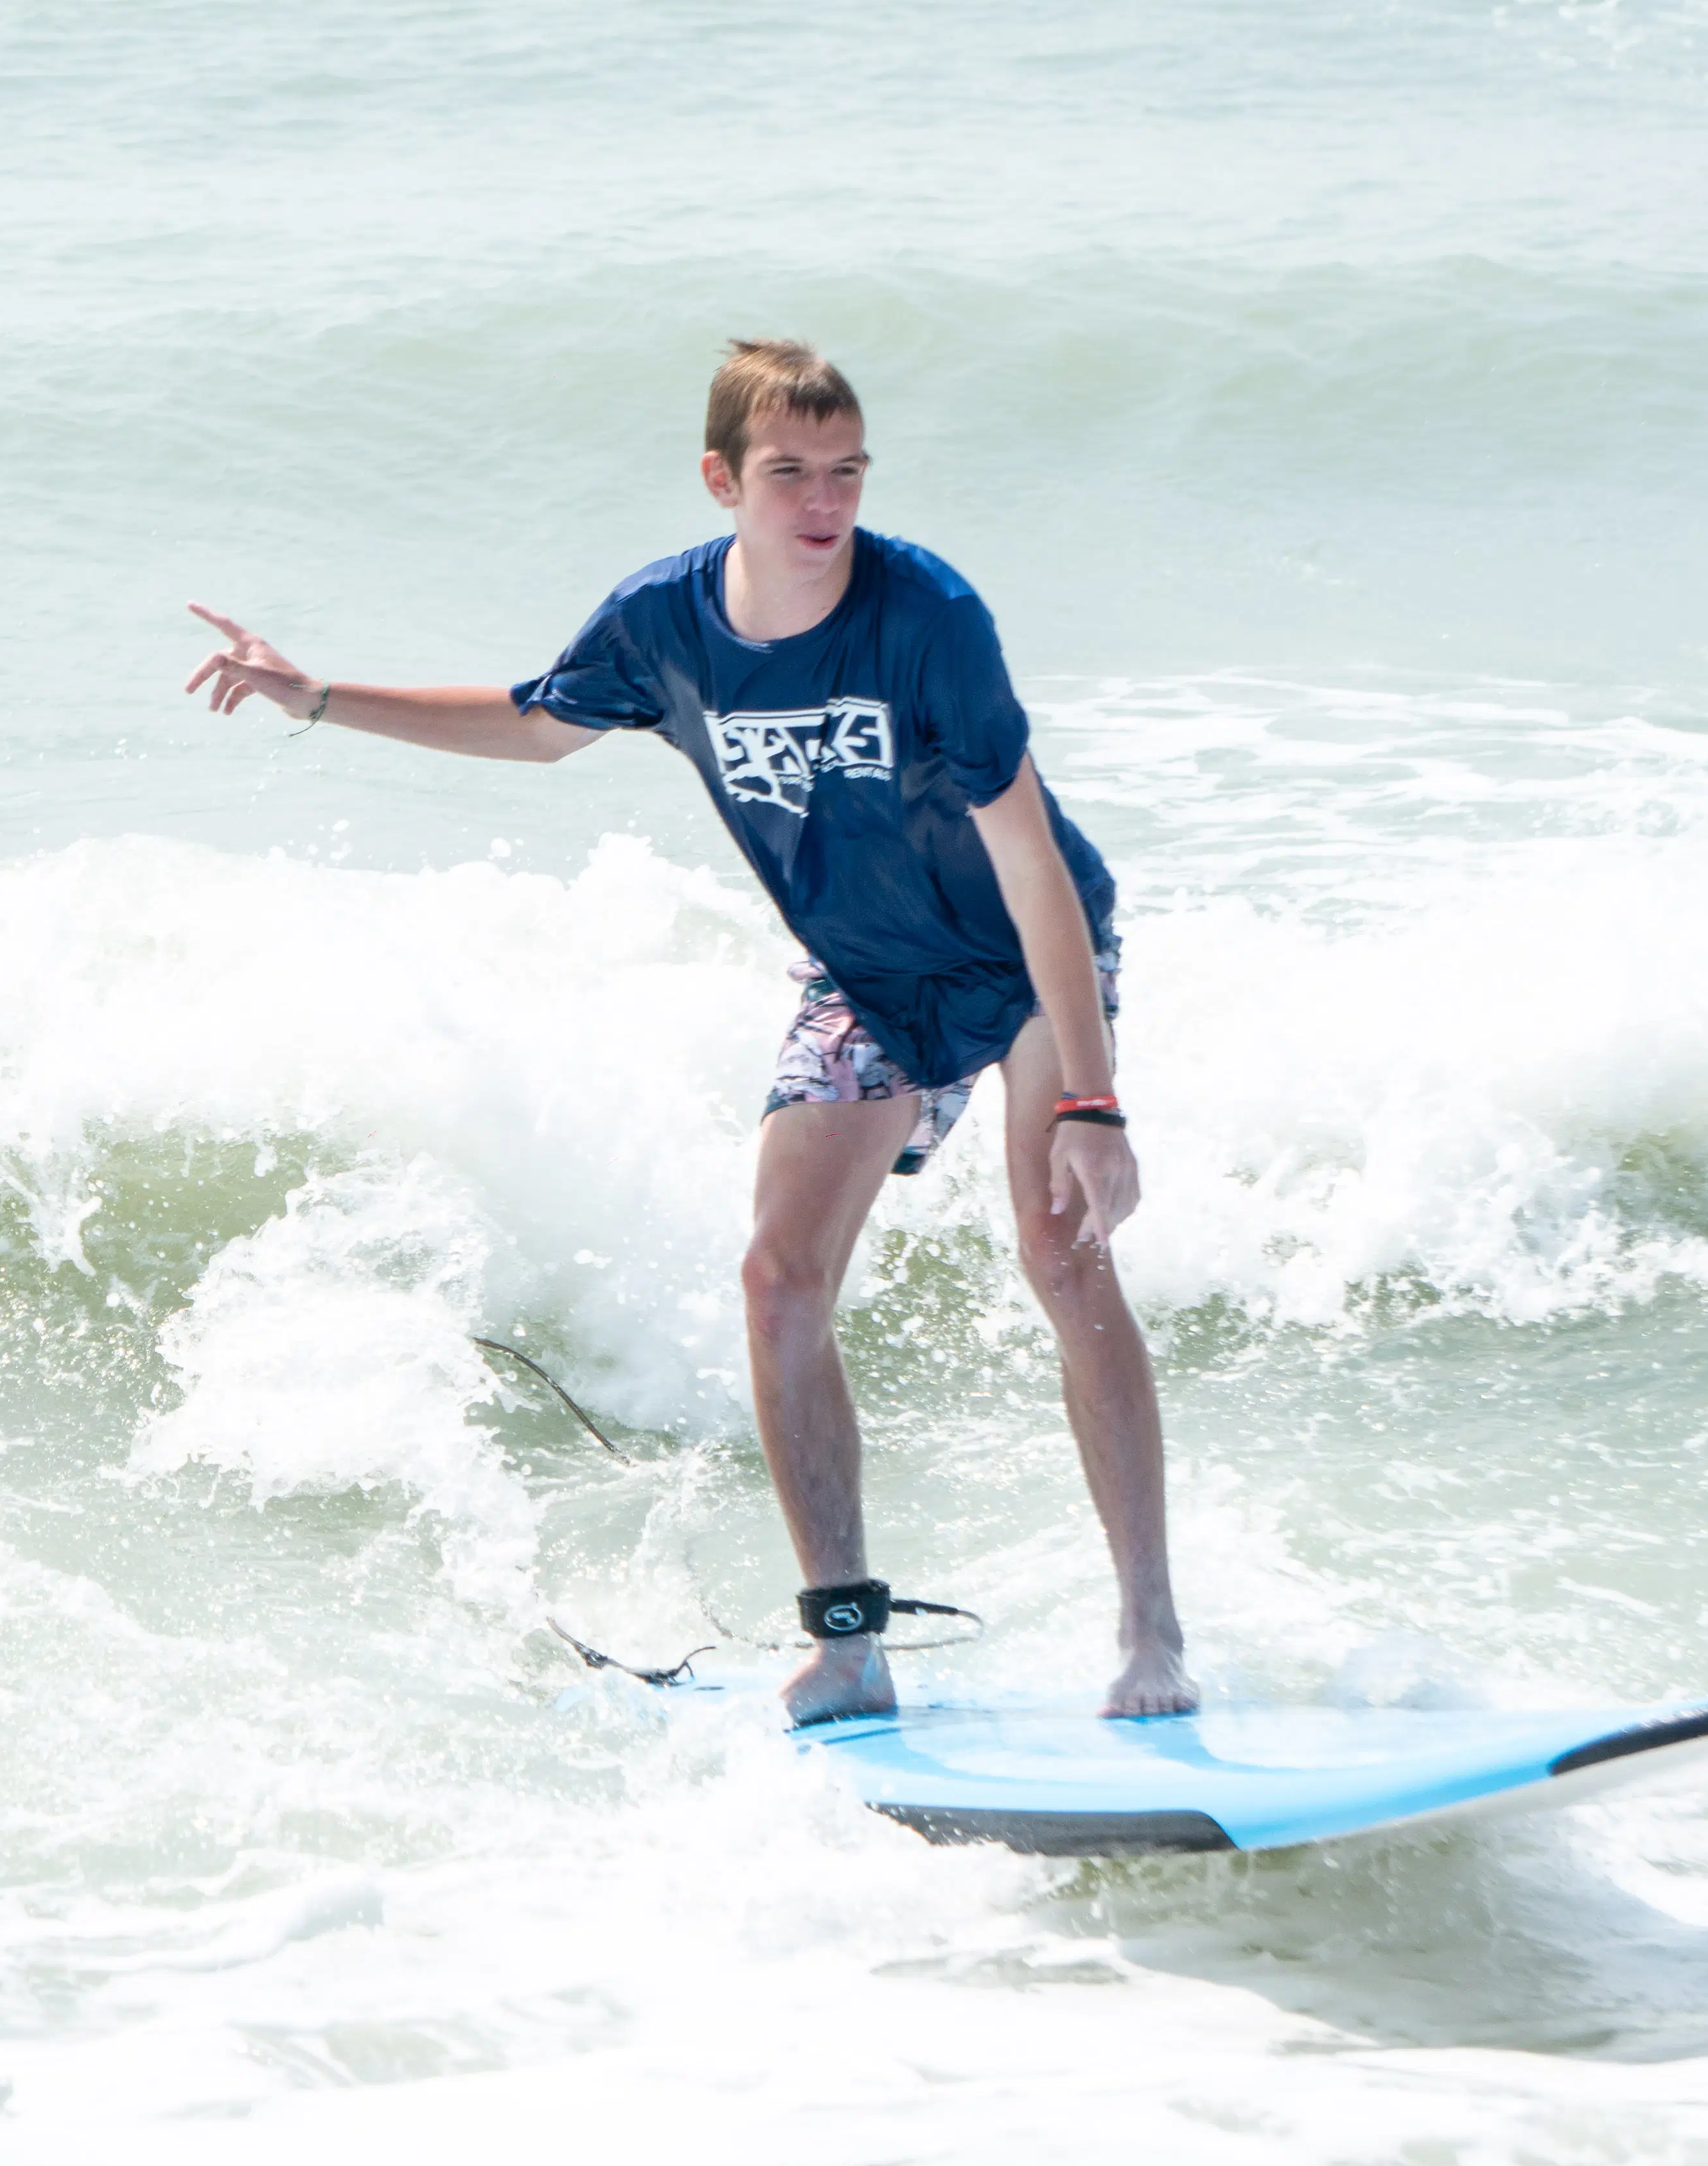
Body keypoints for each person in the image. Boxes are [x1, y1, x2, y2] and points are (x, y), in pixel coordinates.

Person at [183, 339, 1190, 1726]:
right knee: (779, 1276)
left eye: (846, 473)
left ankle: (1152, 1631)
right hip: (866, 973)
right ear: (723, 479)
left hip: (1026, 951)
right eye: (788, 474)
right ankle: (848, 1638)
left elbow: (1026, 857)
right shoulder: (666, 625)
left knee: (1056, 1249)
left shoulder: (929, 613)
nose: (823, 503)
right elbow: (537, 726)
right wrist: (317, 699)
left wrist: (1091, 1098)